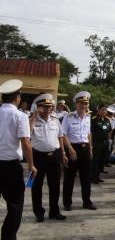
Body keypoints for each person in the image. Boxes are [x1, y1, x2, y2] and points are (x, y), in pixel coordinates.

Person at [0, 79, 36, 240]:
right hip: (10, 166)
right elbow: (26, 143)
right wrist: (31, 164)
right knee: (15, 205)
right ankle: (8, 236)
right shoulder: (20, 116)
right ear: (17, 97)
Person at [29, 93, 68, 222]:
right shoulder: (32, 120)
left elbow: (60, 137)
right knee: (36, 186)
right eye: (45, 106)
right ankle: (38, 212)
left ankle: (54, 211)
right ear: (38, 107)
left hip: (54, 156)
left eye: (51, 106)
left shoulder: (55, 120)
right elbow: (27, 135)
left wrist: (63, 153)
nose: (49, 109)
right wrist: (34, 116)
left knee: (55, 185)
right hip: (38, 156)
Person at [62, 91, 97, 211]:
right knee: (69, 177)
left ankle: (87, 201)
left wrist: (90, 148)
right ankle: (67, 203)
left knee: (86, 177)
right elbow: (64, 134)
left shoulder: (88, 117)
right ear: (76, 104)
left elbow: (88, 134)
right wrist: (70, 149)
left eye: (86, 103)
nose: (84, 106)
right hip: (73, 148)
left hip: (85, 148)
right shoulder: (69, 116)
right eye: (81, 103)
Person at [91, 104, 112, 184]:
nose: (104, 111)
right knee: (95, 161)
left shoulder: (107, 120)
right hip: (96, 143)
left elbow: (109, 130)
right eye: (102, 110)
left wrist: (109, 140)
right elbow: (91, 132)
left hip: (105, 143)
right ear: (98, 110)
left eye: (105, 110)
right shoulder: (94, 119)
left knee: (102, 160)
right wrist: (91, 144)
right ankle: (93, 177)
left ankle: (98, 175)